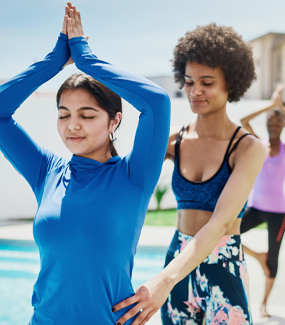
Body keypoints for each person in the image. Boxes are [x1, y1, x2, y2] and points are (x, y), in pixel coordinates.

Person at [0, 3, 170, 324]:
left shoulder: (134, 176)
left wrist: (86, 59)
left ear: (114, 121)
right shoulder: (46, 171)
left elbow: (156, 102)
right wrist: (53, 62)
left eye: (87, 114)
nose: (72, 126)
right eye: (63, 114)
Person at [112, 24, 266, 325]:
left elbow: (221, 223)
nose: (195, 91)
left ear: (231, 84)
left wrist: (164, 281)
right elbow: (120, 175)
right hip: (178, 255)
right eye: (189, 81)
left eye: (207, 82)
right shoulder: (174, 143)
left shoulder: (248, 149)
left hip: (223, 265)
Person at [239, 86, 285, 318]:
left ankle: (264, 304)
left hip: (279, 212)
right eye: (271, 122)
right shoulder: (258, 144)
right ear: (267, 123)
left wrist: (280, 109)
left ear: (283, 124)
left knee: (273, 261)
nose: (274, 126)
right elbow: (244, 120)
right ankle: (258, 256)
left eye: (278, 123)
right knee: (225, 233)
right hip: (256, 208)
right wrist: (271, 106)